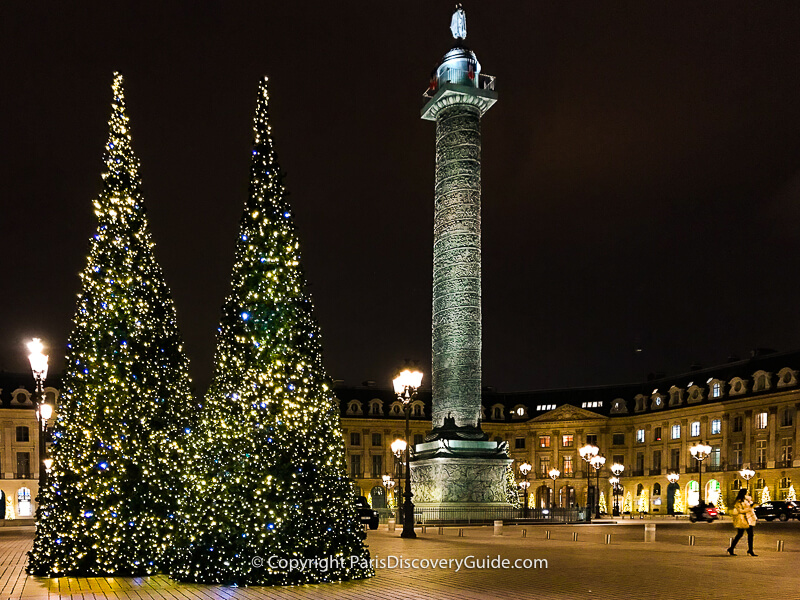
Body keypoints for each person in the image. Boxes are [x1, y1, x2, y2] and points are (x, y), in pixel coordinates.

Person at [727, 488, 758, 556]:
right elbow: (740, 511)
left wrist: (754, 516)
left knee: (750, 535)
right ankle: (731, 548)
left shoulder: (747, 500)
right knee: (740, 534)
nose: (748, 493)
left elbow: (751, 510)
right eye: (747, 492)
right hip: (743, 519)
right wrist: (750, 508)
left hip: (749, 519)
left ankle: (750, 550)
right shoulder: (739, 501)